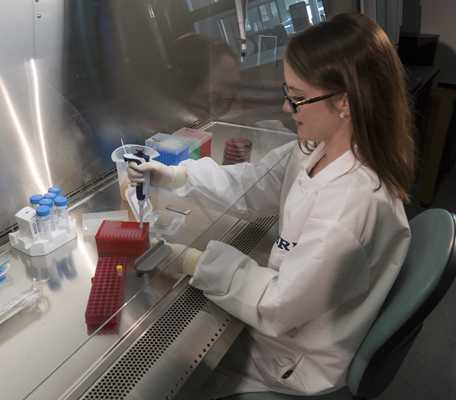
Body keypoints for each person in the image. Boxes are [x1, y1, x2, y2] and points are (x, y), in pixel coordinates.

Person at [128, 13, 415, 397]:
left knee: (174, 376)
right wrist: (180, 176)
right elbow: (251, 183)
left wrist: (191, 262)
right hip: (297, 323)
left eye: (297, 98)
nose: (285, 108)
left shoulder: (351, 205)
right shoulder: (318, 148)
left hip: (297, 360)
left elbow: (280, 305)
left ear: (344, 102)